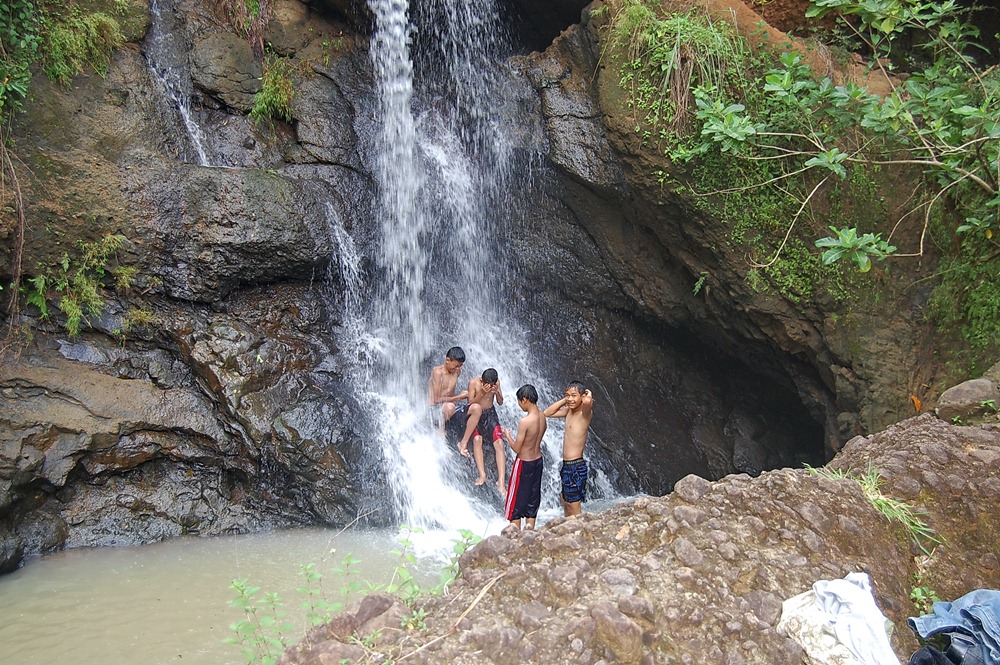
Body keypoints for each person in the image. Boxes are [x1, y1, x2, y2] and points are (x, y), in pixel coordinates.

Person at [543, 380, 594, 517]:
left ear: (582, 397)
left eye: (574, 395)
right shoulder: (568, 412)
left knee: (574, 504)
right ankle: (568, 531)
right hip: (566, 465)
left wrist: (587, 397)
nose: (570, 399)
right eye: (567, 395)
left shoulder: (584, 414)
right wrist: (565, 400)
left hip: (576, 465)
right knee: (565, 501)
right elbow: (547, 413)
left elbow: (588, 404)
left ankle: (579, 531)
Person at [502, 384, 547, 530]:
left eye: (519, 401)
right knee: (533, 498)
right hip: (538, 461)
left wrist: (508, 436)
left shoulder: (525, 422)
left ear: (525, 400)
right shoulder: (542, 417)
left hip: (524, 463)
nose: (520, 405)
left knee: (515, 500)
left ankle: (515, 537)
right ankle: (530, 532)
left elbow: (516, 448)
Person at [457, 368, 506, 493]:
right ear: (481, 380)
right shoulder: (474, 383)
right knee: (478, 440)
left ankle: (501, 480)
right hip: (477, 415)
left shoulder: (496, 383)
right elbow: (470, 403)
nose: (490, 386)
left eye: (493, 384)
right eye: (487, 384)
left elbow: (500, 402)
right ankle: (482, 474)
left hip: (490, 414)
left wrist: (497, 393)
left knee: (499, 443)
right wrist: (482, 393)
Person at [426, 346, 467, 435]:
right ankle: (441, 429)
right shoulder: (438, 373)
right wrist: (459, 397)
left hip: (448, 406)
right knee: (450, 407)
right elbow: (436, 400)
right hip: (434, 409)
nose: (457, 369)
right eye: (456, 366)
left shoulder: (457, 371)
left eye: (460, 366)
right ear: (448, 360)